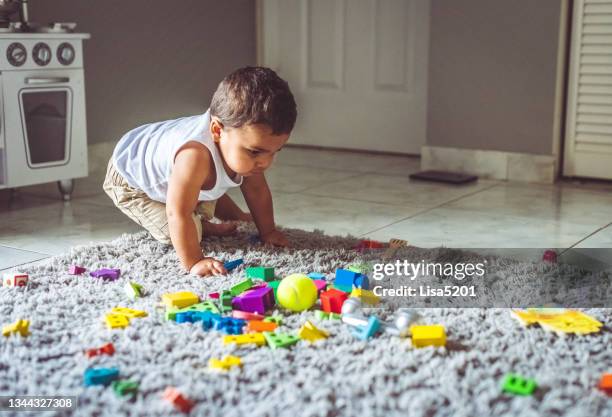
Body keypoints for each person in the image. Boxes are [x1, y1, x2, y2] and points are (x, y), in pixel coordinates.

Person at [103, 66, 297, 276]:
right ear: (216, 130)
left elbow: (257, 191)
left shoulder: (245, 150)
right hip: (129, 179)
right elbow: (177, 212)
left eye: (275, 151)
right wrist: (195, 261)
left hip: (179, 173)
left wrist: (268, 231)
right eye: (255, 152)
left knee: (214, 180)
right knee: (186, 230)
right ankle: (203, 226)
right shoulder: (194, 156)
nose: (265, 162)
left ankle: (213, 217)